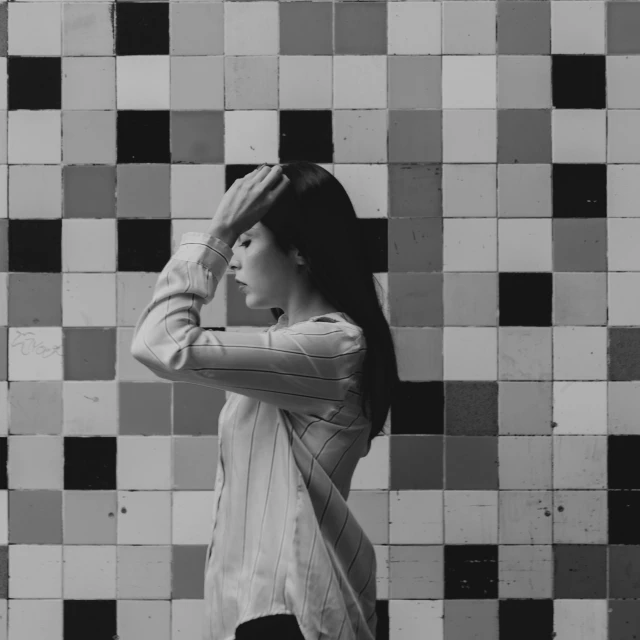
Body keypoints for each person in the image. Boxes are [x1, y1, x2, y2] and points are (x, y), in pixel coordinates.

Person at [130, 161, 399, 640]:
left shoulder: (332, 348)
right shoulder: (293, 348)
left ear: (299, 249)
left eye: (248, 242)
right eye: (236, 244)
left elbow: (161, 343)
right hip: (267, 613)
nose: (233, 259)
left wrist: (218, 231)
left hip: (290, 612)